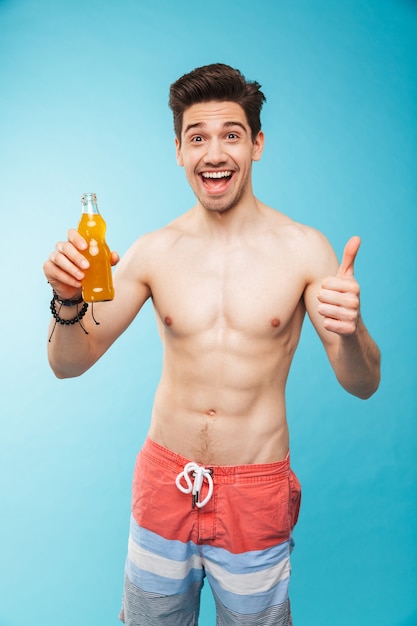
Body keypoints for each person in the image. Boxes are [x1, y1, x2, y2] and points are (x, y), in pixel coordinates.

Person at [43, 63, 380, 626]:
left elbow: (363, 384)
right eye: (197, 137)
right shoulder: (155, 251)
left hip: (255, 491)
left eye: (231, 134)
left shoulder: (304, 249)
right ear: (178, 150)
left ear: (257, 144)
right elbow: (66, 363)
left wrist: (353, 329)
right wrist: (68, 300)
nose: (214, 153)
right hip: (162, 485)